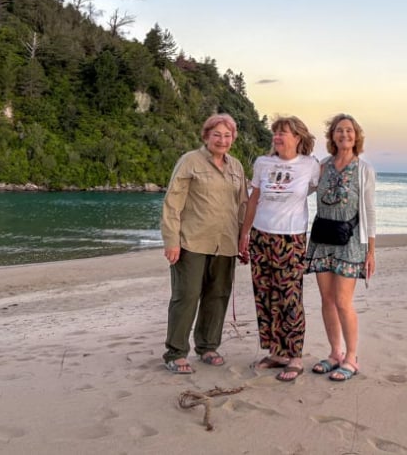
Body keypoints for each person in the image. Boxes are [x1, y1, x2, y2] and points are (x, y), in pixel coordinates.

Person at [161, 113, 248, 374]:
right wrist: (171, 240)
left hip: (226, 244)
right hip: (192, 242)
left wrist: (244, 239)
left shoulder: (236, 167)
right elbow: (172, 203)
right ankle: (175, 352)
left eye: (227, 135)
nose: (222, 140)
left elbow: (242, 205)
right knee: (186, 296)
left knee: (218, 295)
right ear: (206, 136)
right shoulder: (189, 162)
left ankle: (208, 347)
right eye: (217, 134)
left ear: (233, 138)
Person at [239, 116, 320, 382]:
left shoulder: (310, 165)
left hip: (291, 238)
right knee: (265, 296)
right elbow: (254, 200)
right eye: (275, 132)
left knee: (290, 296)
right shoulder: (263, 163)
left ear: (298, 137)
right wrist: (244, 234)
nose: (277, 136)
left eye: (283, 132)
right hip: (261, 236)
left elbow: (322, 190)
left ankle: (294, 355)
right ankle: (276, 352)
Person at [306, 113, 376, 381]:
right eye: (339, 131)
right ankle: (335, 353)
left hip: (350, 241)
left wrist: (371, 251)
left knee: (343, 301)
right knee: (327, 299)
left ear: (356, 136)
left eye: (349, 131)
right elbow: (303, 189)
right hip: (323, 238)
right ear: (332, 136)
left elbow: (369, 211)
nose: (344, 135)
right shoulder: (322, 165)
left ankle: (351, 357)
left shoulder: (363, 169)